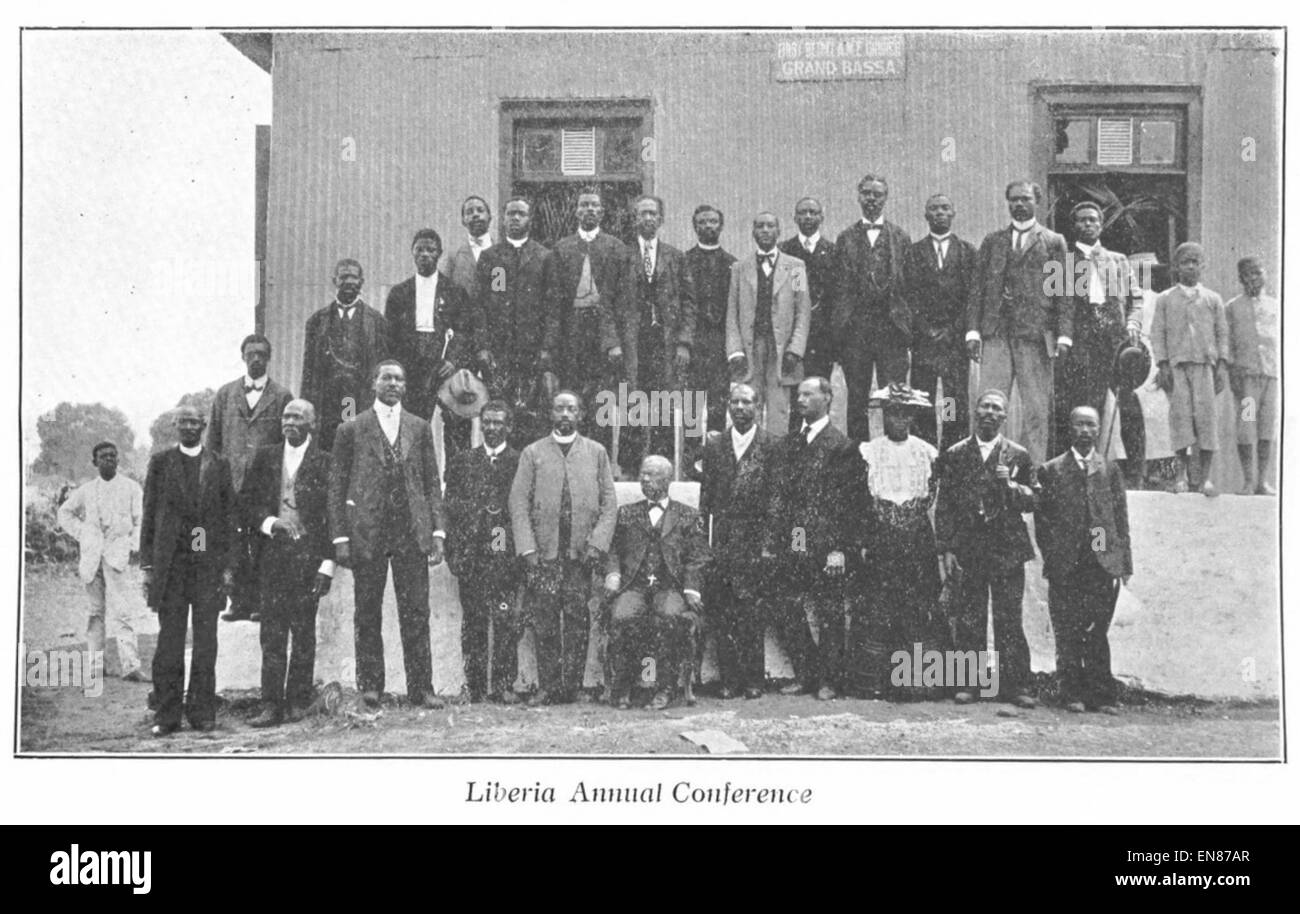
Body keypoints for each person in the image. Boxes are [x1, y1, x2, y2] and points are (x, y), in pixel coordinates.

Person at [328, 359, 448, 710]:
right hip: (368, 532)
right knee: (367, 612)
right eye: (386, 378)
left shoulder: (420, 427)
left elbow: (431, 484)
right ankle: (371, 686)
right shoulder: (351, 428)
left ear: (406, 387)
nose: (393, 383)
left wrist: (437, 532)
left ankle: (421, 688)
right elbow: (336, 488)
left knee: (416, 612)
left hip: (411, 531)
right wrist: (340, 539)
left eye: (399, 378)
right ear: (374, 383)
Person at [509, 391, 619, 705]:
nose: (566, 414)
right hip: (544, 554)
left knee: (576, 619)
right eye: (560, 409)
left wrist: (597, 544)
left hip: (580, 555)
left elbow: (610, 504)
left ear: (581, 414)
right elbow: (518, 502)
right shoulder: (533, 453)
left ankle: (571, 686)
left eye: (572, 409)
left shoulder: (596, 452)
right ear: (551, 414)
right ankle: (548, 686)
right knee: (544, 620)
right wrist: (527, 549)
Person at [934, 389, 1039, 708]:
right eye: (985, 407)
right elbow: (945, 505)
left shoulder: (1018, 454)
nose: (991, 413)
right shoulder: (955, 453)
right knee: (970, 617)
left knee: (1009, 618)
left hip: (1007, 547)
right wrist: (947, 548)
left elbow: (1034, 499)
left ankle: (1016, 685)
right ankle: (970, 684)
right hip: (970, 547)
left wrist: (1011, 486)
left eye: (997, 408)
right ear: (975, 412)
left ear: (1005, 417)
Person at [140, 406, 239, 736]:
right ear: (175, 426)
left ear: (203, 426)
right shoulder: (161, 463)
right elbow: (150, 515)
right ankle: (166, 715)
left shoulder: (218, 464)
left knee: (206, 641)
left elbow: (228, 519)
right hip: (172, 567)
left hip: (207, 567)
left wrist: (227, 569)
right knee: (169, 641)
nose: (188, 428)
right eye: (182, 422)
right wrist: (148, 566)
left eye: (194, 422)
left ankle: (202, 712)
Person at [763, 377, 859, 700]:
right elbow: (780, 495)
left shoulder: (843, 447)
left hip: (827, 543)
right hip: (796, 539)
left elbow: (850, 505)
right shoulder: (789, 443)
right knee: (787, 603)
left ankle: (830, 680)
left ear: (828, 398)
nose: (800, 399)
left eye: (808, 394)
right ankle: (808, 674)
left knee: (830, 609)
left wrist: (840, 549)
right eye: (798, 394)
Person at [241, 399, 334, 727]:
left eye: (298, 417)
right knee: (272, 633)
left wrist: (327, 565)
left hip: (309, 560)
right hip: (272, 558)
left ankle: (297, 701)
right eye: (286, 416)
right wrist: (270, 523)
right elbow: (247, 505)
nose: (289, 421)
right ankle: (270, 704)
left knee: (304, 631)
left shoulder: (325, 462)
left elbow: (333, 517)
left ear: (313, 423)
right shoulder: (265, 457)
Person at [1035, 406, 1132, 714]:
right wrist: (1054, 554)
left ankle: (1101, 694)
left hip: (1100, 563)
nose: (1086, 431)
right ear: (1071, 429)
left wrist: (1123, 563)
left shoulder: (1109, 470)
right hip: (1066, 564)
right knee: (1067, 630)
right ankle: (1071, 693)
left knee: (1096, 630)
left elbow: (1120, 518)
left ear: (1099, 428)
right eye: (1079, 425)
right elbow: (1043, 521)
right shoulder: (1051, 470)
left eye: (1091, 425)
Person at [967, 181, 1072, 464]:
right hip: (997, 335)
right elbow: (977, 288)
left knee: (1036, 409)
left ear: (1037, 202)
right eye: (1014, 200)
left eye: (1025, 199)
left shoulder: (1053, 242)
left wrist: (1063, 335)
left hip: (1035, 337)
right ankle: (985, 467)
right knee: (988, 406)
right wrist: (973, 331)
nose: (1019, 205)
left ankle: (1033, 472)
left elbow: (1062, 291)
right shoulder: (992, 241)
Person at [853, 384, 945, 701]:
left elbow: (931, 496)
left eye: (904, 414)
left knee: (918, 606)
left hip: (917, 536)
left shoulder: (927, 452)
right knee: (878, 606)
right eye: (892, 413)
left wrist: (910, 515)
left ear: (912, 417)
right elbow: (862, 500)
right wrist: (873, 532)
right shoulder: (868, 451)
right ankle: (873, 682)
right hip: (881, 535)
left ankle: (917, 682)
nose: (898, 420)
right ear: (884, 417)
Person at [603, 456, 709, 710]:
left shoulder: (687, 515)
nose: (645, 480)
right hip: (635, 585)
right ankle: (623, 685)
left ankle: (665, 687)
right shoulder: (626, 513)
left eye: (653, 475)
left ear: (668, 481)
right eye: (643, 474)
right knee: (621, 615)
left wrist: (691, 588)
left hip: (669, 586)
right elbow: (613, 550)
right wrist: (613, 575)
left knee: (669, 616)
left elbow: (699, 557)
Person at [207, 333, 294, 622]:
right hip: (231, 480)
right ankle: (237, 600)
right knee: (233, 540)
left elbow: (288, 440)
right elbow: (214, 442)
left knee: (262, 540)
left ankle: (260, 601)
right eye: (251, 353)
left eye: (261, 354)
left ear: (268, 358)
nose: (256, 358)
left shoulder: (282, 396)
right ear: (243, 356)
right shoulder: (225, 394)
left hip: (264, 484)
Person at [699, 383, 776, 699]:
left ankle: (754, 680)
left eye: (747, 402)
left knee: (751, 612)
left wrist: (769, 544)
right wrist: (706, 542)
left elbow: (776, 499)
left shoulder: (771, 445)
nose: (741, 407)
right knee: (722, 610)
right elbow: (706, 498)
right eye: (735, 401)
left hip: (756, 540)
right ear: (727, 406)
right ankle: (729, 680)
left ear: (758, 406)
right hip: (724, 539)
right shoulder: (714, 446)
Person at [611, 194, 697, 473]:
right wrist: (613, 343)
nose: (648, 218)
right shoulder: (620, 256)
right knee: (633, 399)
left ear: (661, 219)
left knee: (664, 401)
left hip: (666, 342)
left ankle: (661, 465)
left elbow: (688, 302)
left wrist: (684, 342)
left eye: (652, 214)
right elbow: (607, 302)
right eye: (642, 213)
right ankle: (633, 466)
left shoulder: (675, 256)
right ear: (634, 219)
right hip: (633, 342)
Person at [444, 400, 522, 703]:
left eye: (498, 423)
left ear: (509, 427)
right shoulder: (464, 461)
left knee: (504, 618)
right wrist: (454, 552)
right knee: (473, 620)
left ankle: (503, 685)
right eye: (487, 422)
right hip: (472, 555)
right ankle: (475, 686)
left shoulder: (519, 461)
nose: (491, 428)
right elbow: (449, 506)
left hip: (503, 550)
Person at [1053, 200, 1143, 458]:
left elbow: (1136, 299)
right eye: (1082, 220)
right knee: (1080, 405)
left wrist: (1133, 322)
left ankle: (1135, 470)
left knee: (1127, 405)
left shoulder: (1119, 260)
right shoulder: (1062, 262)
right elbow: (1054, 306)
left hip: (1115, 343)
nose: (1088, 224)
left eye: (1093, 219)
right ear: (1074, 226)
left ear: (1101, 225)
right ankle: (1079, 464)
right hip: (1079, 343)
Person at [543, 187, 627, 455]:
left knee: (601, 397)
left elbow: (622, 301)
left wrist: (615, 341)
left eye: (594, 205)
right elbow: (554, 302)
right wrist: (550, 345)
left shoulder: (615, 248)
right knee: (571, 396)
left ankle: (598, 457)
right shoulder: (562, 248)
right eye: (584, 205)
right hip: (571, 336)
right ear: (576, 211)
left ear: (602, 212)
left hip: (603, 336)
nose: (589, 209)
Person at [56, 441, 144, 682]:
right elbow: (64, 513)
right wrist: (82, 532)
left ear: (118, 460)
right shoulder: (86, 490)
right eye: (103, 457)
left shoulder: (131, 488)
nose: (108, 460)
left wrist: (132, 545)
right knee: (95, 612)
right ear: (95, 462)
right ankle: (96, 665)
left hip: (117, 555)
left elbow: (140, 520)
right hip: (92, 556)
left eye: (112, 456)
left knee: (122, 612)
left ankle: (131, 666)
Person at [833, 174, 913, 440]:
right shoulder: (844, 239)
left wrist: (906, 329)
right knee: (857, 400)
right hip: (856, 334)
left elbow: (909, 287)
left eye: (877, 194)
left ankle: (894, 453)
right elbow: (840, 290)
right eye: (866, 193)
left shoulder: (901, 237)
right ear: (858, 197)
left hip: (891, 332)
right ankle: (857, 463)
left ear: (886, 198)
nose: (871, 199)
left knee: (895, 399)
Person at [384, 228, 473, 463]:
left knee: (456, 423)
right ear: (412, 253)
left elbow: (463, 331)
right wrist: (398, 368)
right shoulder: (399, 293)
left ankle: (456, 486)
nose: (425, 255)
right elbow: (390, 337)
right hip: (412, 365)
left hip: (444, 364)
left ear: (440, 254)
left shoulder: (455, 292)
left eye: (430, 250)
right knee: (411, 425)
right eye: (420, 250)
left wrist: (453, 361)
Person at [1150, 242, 1229, 496]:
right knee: (1181, 419)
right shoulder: (1165, 299)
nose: (1191, 266)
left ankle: (1204, 478)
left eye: (1196, 261)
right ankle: (1181, 476)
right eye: (1185, 262)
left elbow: (1222, 333)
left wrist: (1221, 366)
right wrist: (1162, 364)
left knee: (1206, 420)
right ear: (1176, 267)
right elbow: (1157, 333)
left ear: (1203, 265)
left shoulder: (1212, 299)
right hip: (1178, 367)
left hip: (1205, 366)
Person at [474, 197, 553, 448]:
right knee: (501, 410)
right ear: (503, 219)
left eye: (520, 214)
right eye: (510, 214)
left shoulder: (544, 256)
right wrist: (483, 346)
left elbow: (553, 308)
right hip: (500, 352)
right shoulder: (490, 257)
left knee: (531, 414)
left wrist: (547, 348)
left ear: (530, 219)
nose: (515, 218)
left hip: (532, 352)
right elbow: (480, 306)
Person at [726, 212, 811, 435]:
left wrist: (796, 349)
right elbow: (732, 314)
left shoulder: (796, 267)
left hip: (781, 348)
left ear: (779, 231)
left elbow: (803, 311)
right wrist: (735, 351)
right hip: (750, 346)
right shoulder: (739, 268)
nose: (765, 230)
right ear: (753, 232)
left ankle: (778, 457)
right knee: (749, 401)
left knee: (780, 406)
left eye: (770, 226)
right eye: (760, 226)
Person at [905, 194, 977, 449]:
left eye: (945, 208)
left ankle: (951, 451)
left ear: (953, 213)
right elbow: (909, 296)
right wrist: (925, 329)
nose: (939, 213)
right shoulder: (913, 252)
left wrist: (952, 330)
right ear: (926, 216)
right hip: (924, 340)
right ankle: (926, 451)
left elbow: (972, 297)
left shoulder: (967, 252)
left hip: (954, 342)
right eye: (934, 209)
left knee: (952, 400)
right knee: (922, 398)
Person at [301, 258, 390, 451]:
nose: (349, 282)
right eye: (344, 277)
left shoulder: (377, 322)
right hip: (326, 403)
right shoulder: (317, 322)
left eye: (354, 277)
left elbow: (382, 368)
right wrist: (307, 408)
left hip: (360, 400)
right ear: (335, 280)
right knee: (326, 452)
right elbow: (308, 372)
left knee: (357, 451)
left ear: (362, 281)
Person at [1225, 255, 1279, 495]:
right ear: (1241, 279)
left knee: (1267, 428)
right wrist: (1232, 371)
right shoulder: (1233, 307)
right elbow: (1227, 343)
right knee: (1247, 426)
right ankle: (1248, 479)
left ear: (1265, 273)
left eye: (1257, 272)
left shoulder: (1277, 306)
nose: (1253, 278)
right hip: (1246, 380)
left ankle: (1262, 481)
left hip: (1271, 376)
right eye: (1248, 274)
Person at [779, 197, 839, 403]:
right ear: (794, 218)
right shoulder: (784, 251)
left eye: (813, 212)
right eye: (803, 212)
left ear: (821, 217)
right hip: (793, 337)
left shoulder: (834, 252)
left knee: (820, 393)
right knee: (795, 395)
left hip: (823, 338)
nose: (808, 216)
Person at [684, 204, 737, 436]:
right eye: (703, 222)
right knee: (692, 406)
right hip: (694, 343)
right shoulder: (684, 260)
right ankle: (691, 461)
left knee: (718, 404)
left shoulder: (732, 263)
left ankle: (715, 459)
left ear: (721, 226)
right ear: (695, 226)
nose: (708, 226)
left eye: (713, 221)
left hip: (720, 343)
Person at [442, 195, 494, 302]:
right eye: (469, 212)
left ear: (489, 217)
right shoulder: (454, 256)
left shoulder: (502, 252)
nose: (475, 215)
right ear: (463, 221)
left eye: (480, 210)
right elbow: (445, 291)